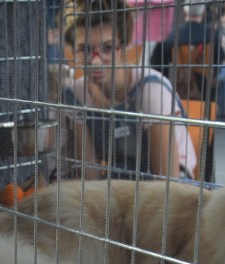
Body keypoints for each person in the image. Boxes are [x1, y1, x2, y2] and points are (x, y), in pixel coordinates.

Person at [63, 0, 197, 180]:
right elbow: (89, 177)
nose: (95, 61)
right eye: (84, 49)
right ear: (73, 51)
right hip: (119, 182)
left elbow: (166, 186)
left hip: (168, 188)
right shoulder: (77, 94)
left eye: (108, 48)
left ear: (124, 46)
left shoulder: (150, 91)